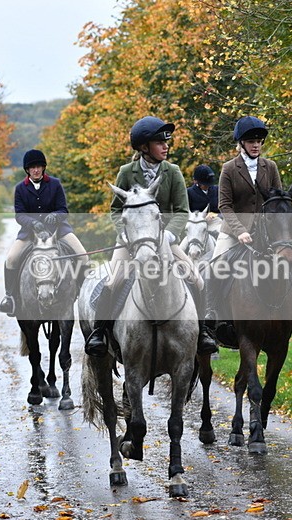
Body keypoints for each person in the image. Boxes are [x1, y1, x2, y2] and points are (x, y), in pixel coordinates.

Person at [84, 116, 217, 357]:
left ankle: (203, 332)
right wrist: (123, 233)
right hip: (131, 241)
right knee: (113, 282)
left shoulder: (173, 172)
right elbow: (115, 209)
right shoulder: (126, 172)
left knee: (196, 279)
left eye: (167, 141)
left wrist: (169, 235)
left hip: (165, 241)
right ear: (144, 147)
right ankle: (100, 333)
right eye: (159, 142)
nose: (166, 146)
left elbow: (181, 210)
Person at [207, 116, 292, 330]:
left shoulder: (270, 167)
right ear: (241, 144)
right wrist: (240, 232)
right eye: (251, 141)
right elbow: (225, 206)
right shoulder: (229, 169)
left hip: (266, 232)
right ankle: (211, 312)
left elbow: (276, 198)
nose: (256, 145)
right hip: (233, 232)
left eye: (259, 141)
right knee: (216, 267)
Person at [0, 149, 88, 316]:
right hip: (30, 233)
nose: (36, 170)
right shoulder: (20, 188)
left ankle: (83, 293)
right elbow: (19, 215)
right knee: (11, 259)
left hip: (59, 231)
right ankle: (10, 297)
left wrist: (55, 216)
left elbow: (64, 210)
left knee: (83, 255)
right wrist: (32, 223)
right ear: (27, 170)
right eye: (32, 167)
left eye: (39, 166)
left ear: (43, 167)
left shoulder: (55, 184)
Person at [187, 164, 222, 236]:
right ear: (196, 181)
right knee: (183, 246)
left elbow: (224, 210)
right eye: (205, 184)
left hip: (215, 223)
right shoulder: (189, 192)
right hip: (196, 225)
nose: (207, 186)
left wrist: (214, 215)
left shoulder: (217, 190)